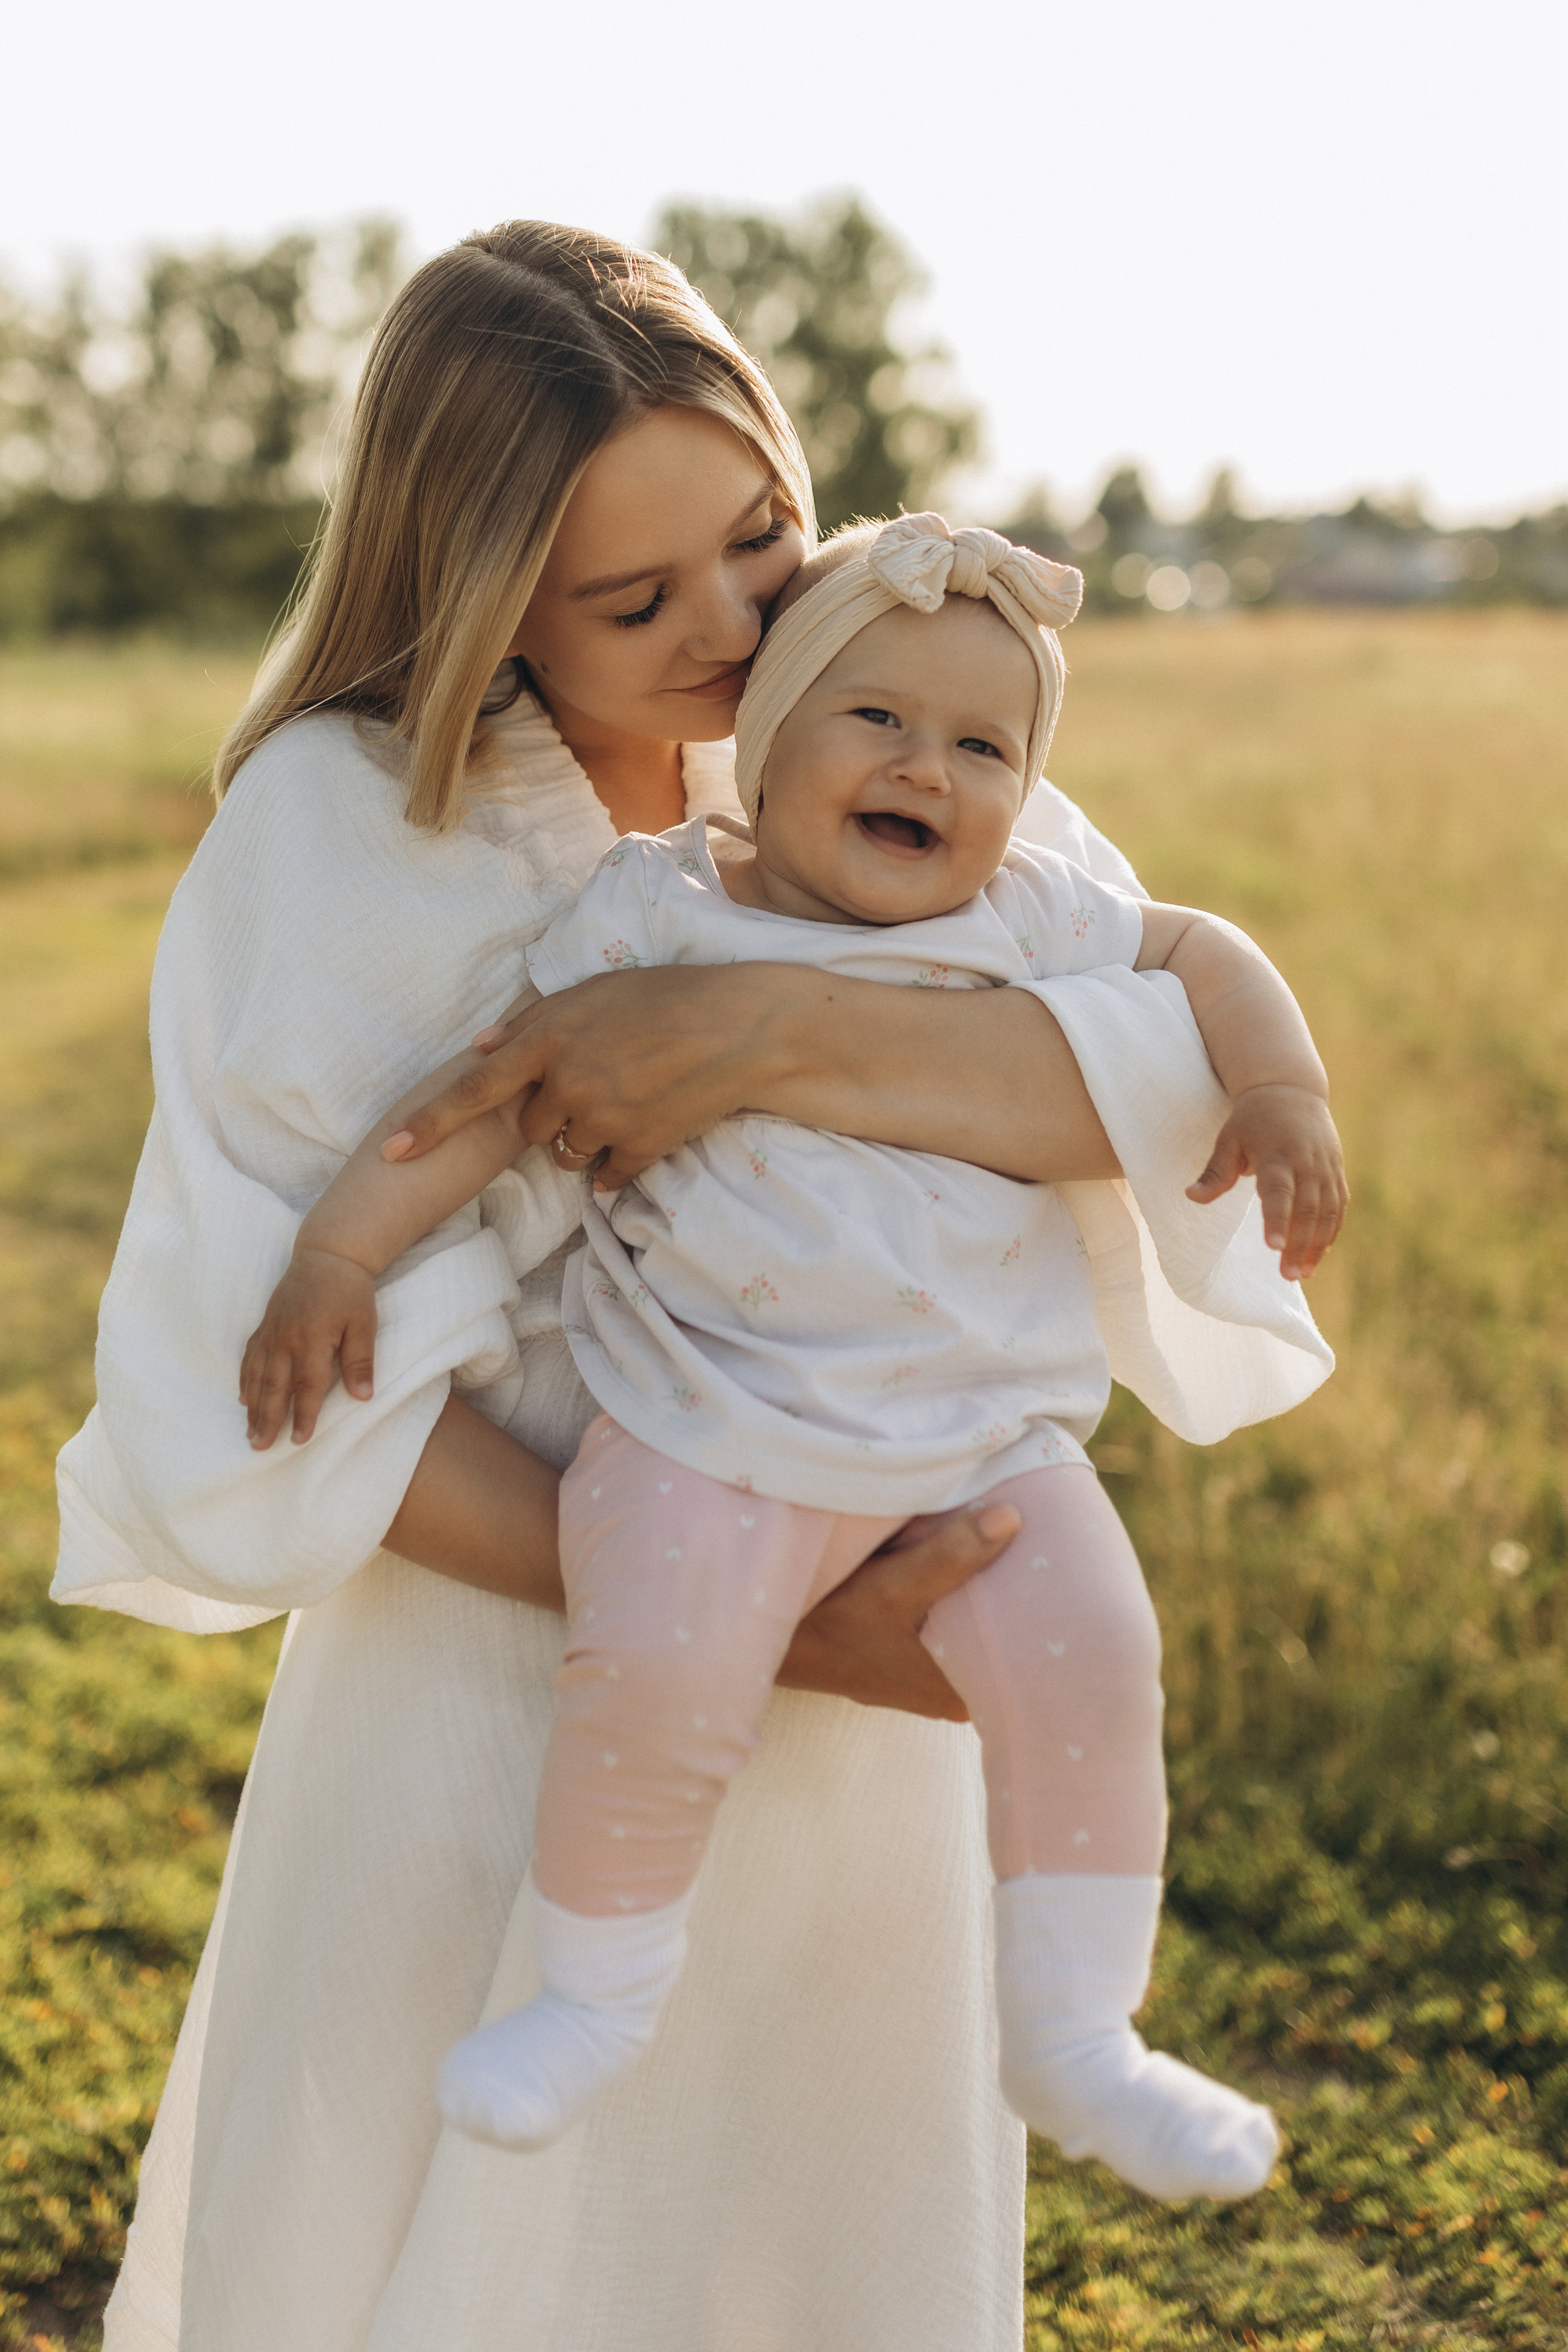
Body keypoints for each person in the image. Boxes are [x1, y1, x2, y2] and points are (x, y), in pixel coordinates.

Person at [55, 223, 1314, 2352]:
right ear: (478, 603)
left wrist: (750, 1043)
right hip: (506, 1667)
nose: (740, 628)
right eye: (637, 602)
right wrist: (772, 1618)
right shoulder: (347, 829)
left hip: (859, 1707)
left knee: (801, 2248)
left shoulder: (875, 704)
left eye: (762, 538)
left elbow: (1158, 1065)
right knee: (477, 2249)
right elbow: (246, 1368)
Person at [242, 510, 1342, 2204]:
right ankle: (595, 1994)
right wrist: (338, 1251)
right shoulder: (658, 915)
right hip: (707, 1427)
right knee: (651, 1684)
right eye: (880, 722)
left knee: (1095, 1667)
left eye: (987, 745)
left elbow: (1201, 954)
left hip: (984, 1450)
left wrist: (1282, 1093)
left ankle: (1078, 2034)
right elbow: (486, 1093)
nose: (934, 770)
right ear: (762, 744)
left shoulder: (1032, 911)